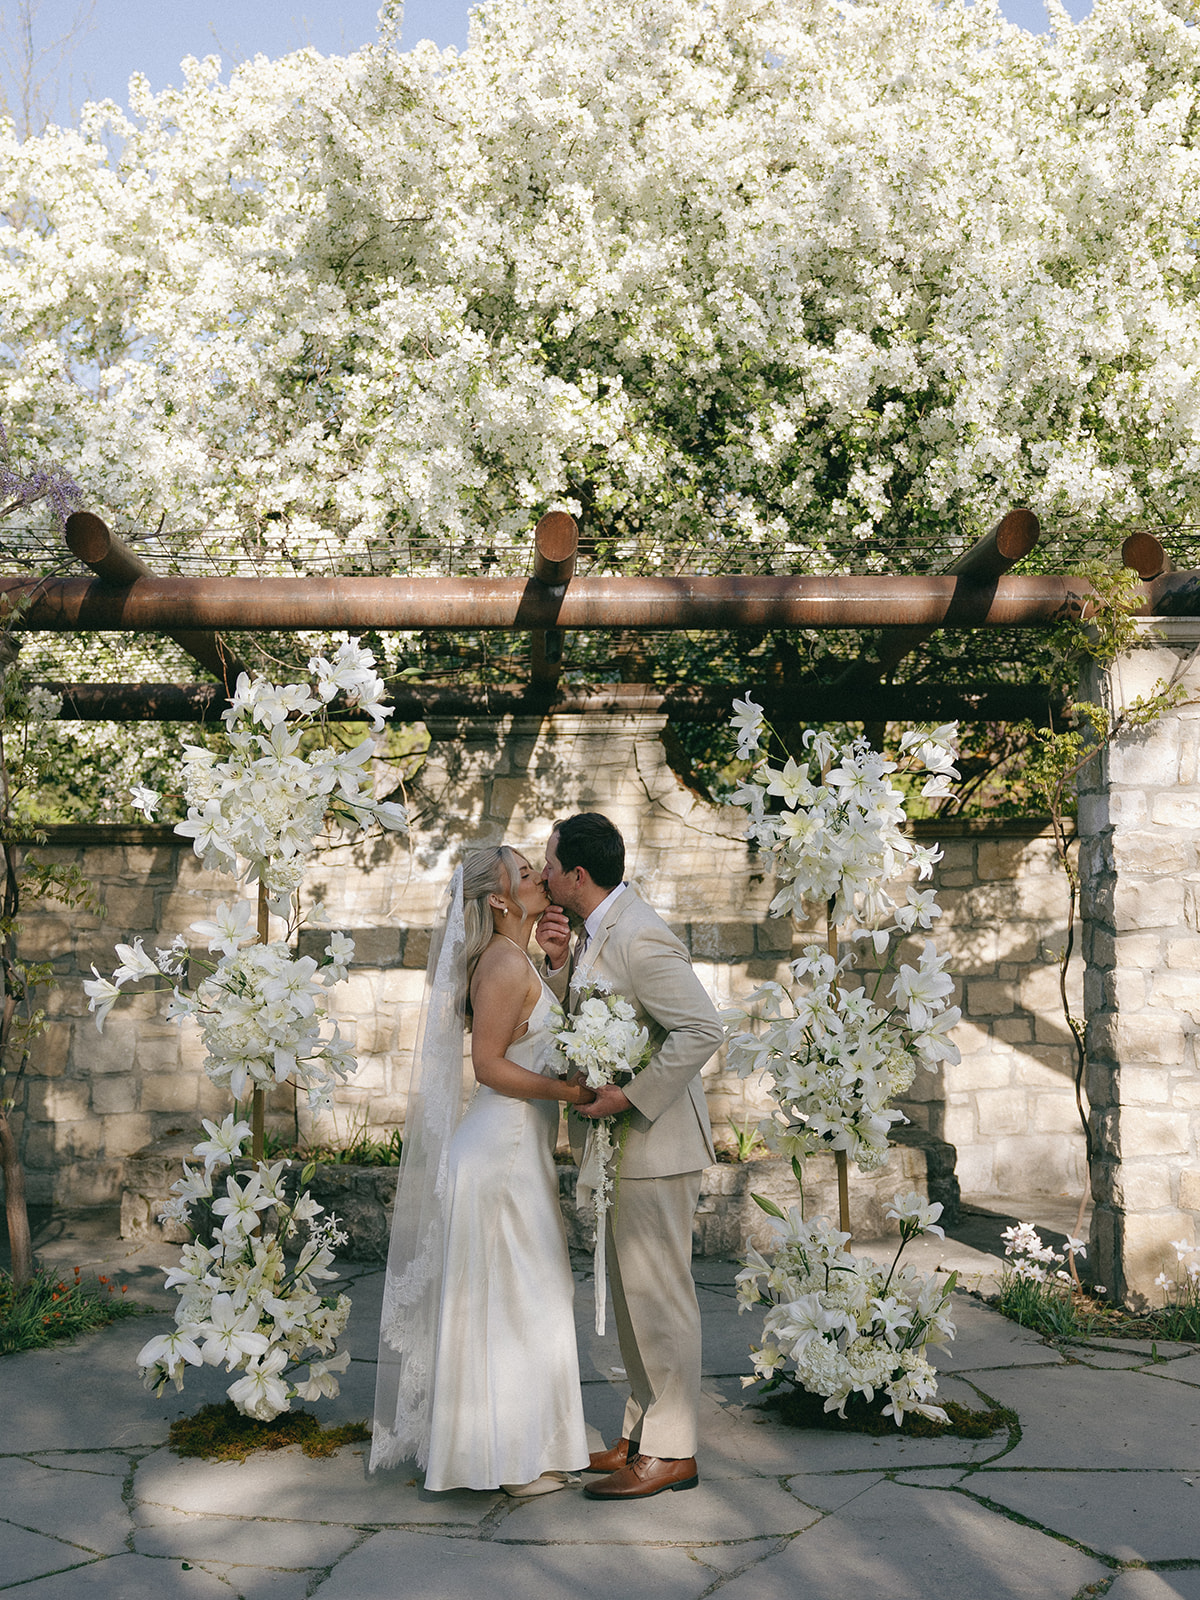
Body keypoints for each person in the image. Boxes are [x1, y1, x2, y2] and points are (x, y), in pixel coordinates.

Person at [371, 847, 595, 1495]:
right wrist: (571, 1094)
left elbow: (535, 1032)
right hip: (498, 1150)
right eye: (526, 875)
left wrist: (558, 967)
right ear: (498, 900)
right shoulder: (499, 963)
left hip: (517, 1149)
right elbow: (490, 1066)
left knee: (531, 1296)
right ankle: (507, 1462)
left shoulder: (517, 957)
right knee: (518, 1297)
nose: (540, 880)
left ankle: (530, 1444)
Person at [538, 813, 724, 1501]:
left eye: (549, 864)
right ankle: (646, 1433)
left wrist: (630, 1096)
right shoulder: (594, 932)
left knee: (661, 1298)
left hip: (655, 1142)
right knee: (630, 1299)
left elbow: (703, 1028)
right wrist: (558, 965)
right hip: (621, 1149)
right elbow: (581, 1020)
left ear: (577, 876)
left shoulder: (641, 936)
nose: (544, 875)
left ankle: (674, 1452)